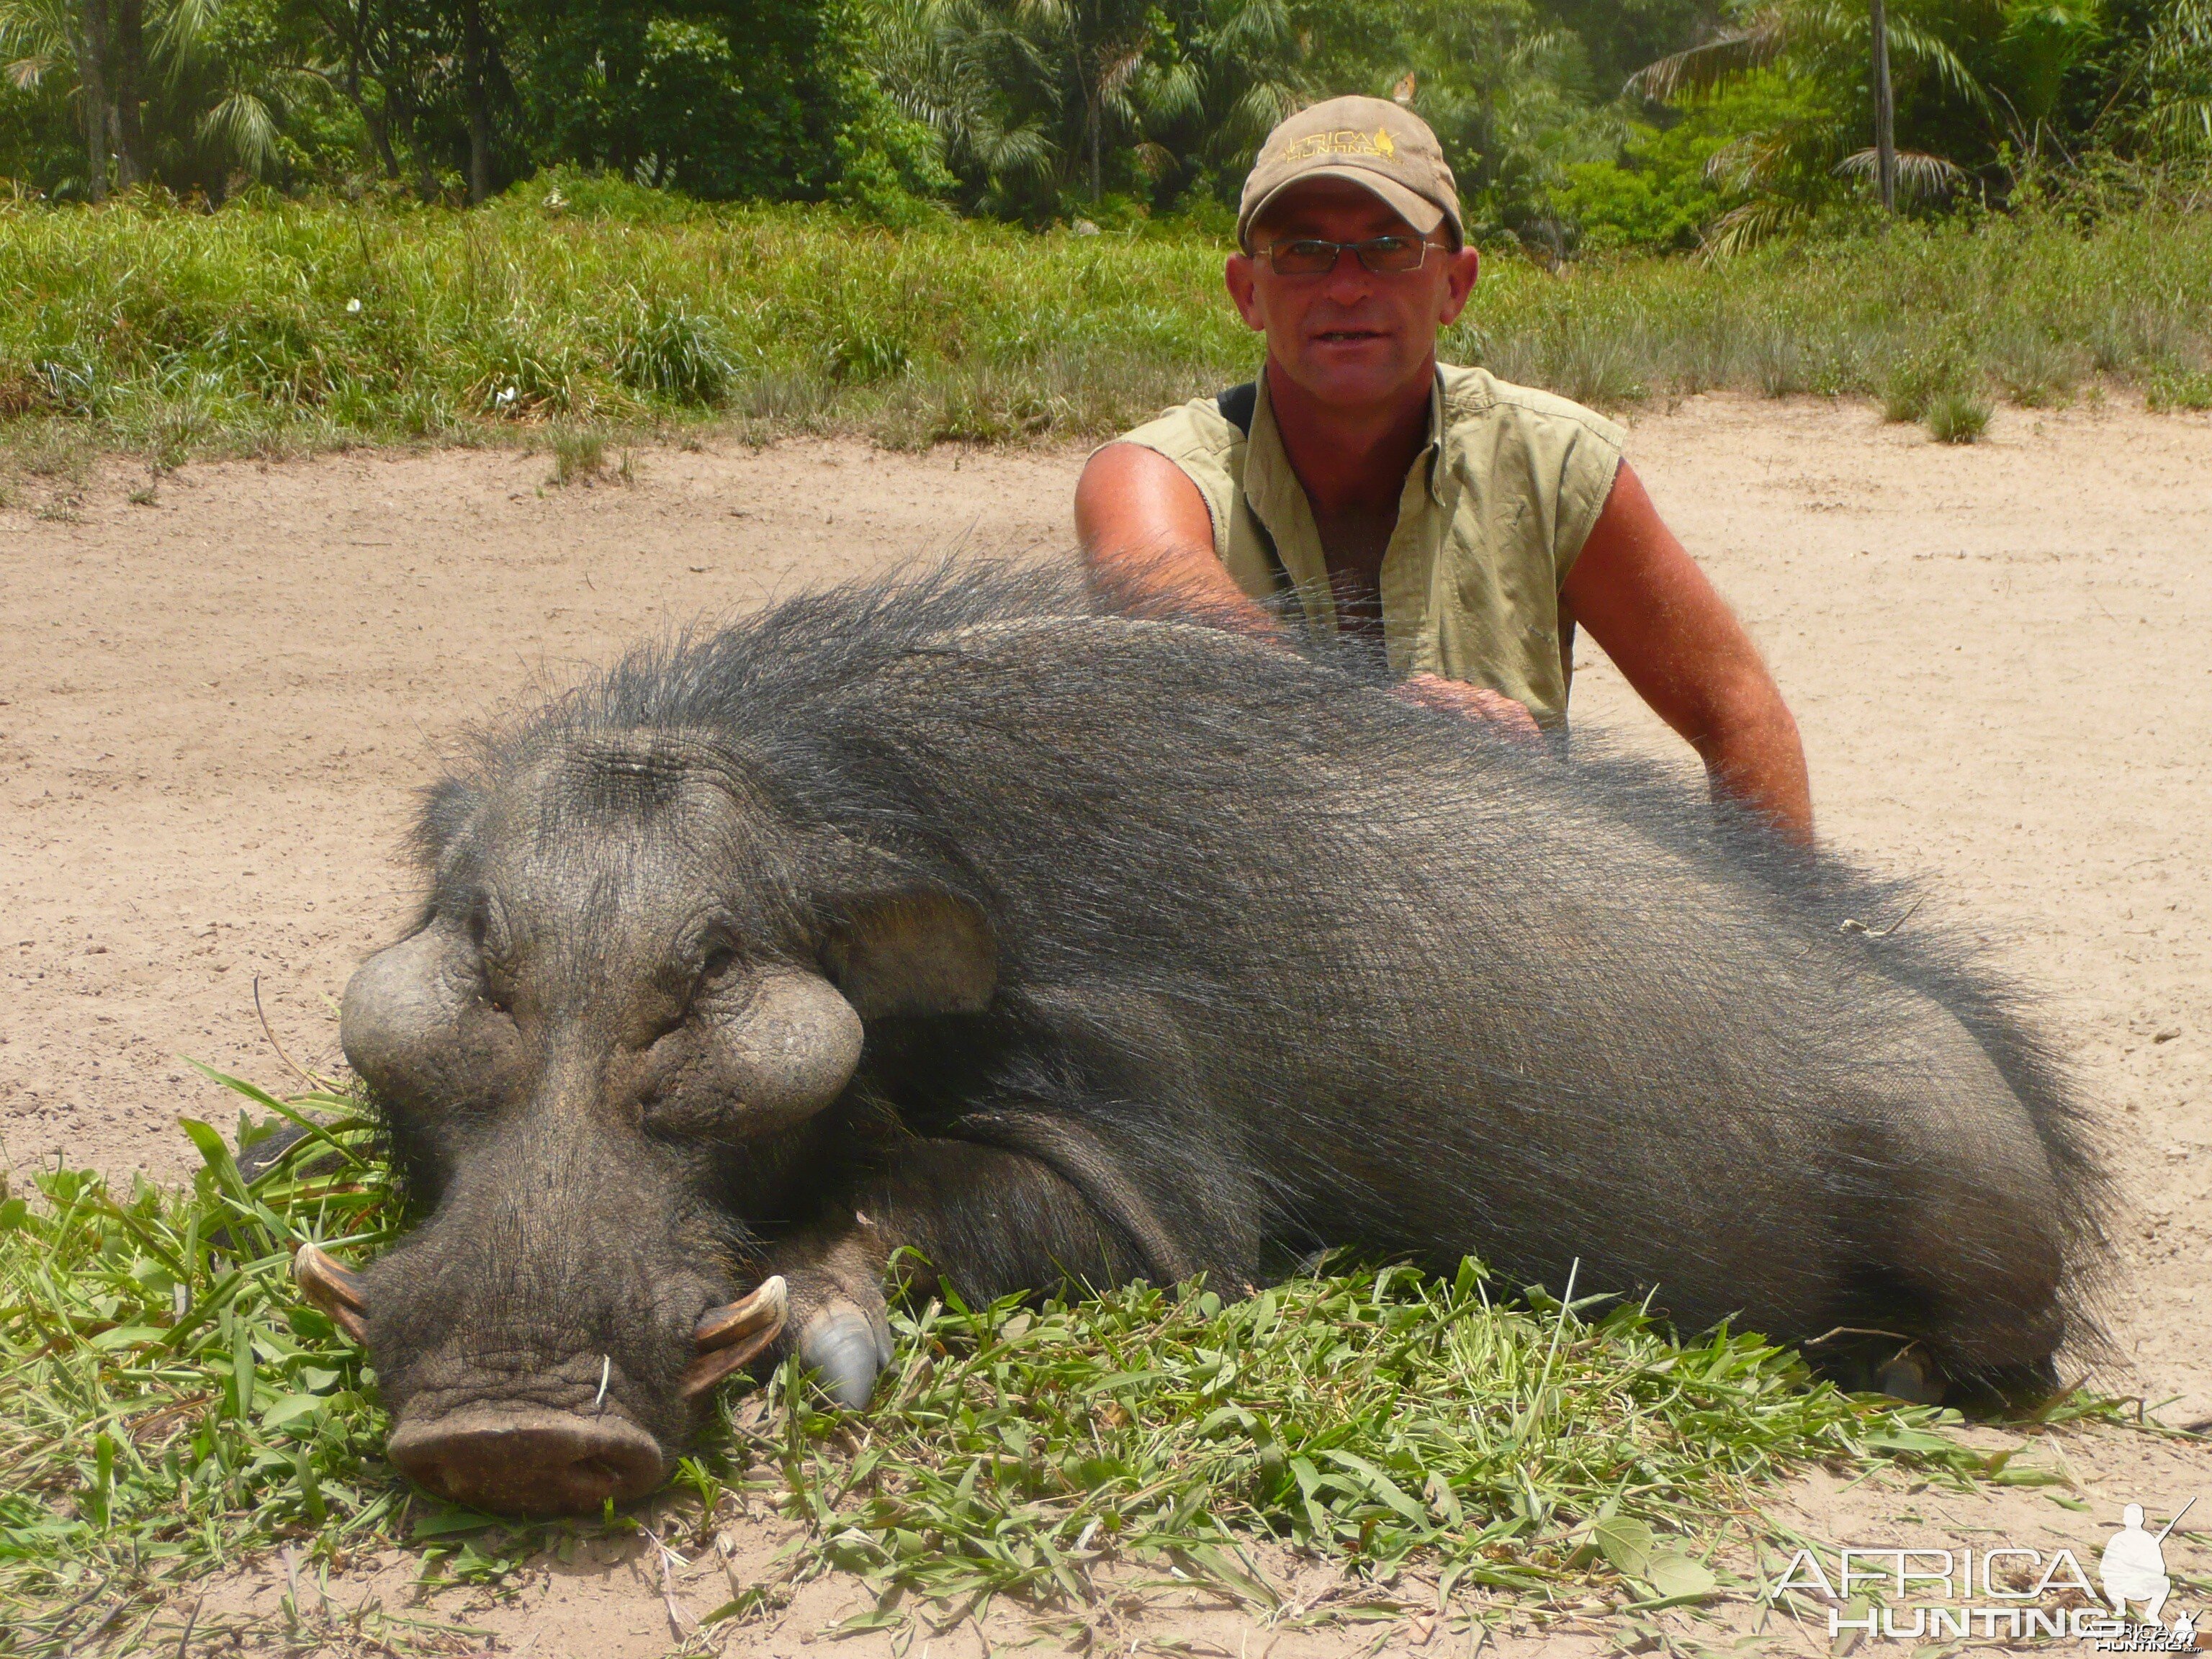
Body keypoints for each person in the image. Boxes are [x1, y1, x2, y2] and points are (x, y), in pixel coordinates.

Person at [1075, 95, 1815, 844]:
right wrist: (1388, 729)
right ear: (1248, 292)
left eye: (1390, 246)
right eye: (1303, 251)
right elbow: (1166, 602)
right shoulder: (1152, 474)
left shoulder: (1553, 466)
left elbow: (1740, 713)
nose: (1346, 286)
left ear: (1455, 285)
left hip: (1505, 932)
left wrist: (1782, 953)